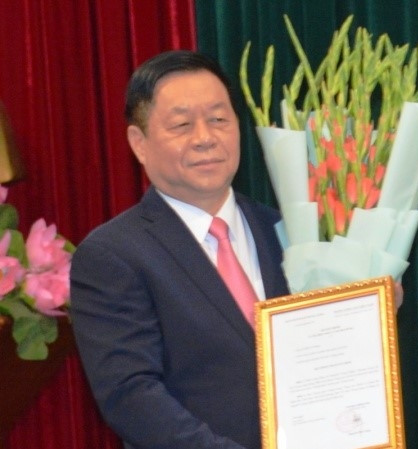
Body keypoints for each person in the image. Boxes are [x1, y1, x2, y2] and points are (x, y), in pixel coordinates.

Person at [70, 50, 290, 449]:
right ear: (139, 143)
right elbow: (130, 395)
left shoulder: (284, 230)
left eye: (219, 119)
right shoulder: (112, 254)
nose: (205, 137)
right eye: (182, 124)